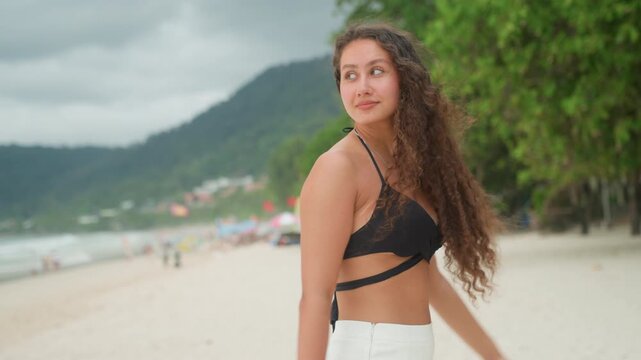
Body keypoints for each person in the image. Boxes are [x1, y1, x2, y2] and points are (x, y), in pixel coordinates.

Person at [297, 23, 505, 360]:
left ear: (405, 79)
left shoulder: (413, 166)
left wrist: (493, 355)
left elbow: (430, 281)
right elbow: (315, 297)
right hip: (369, 348)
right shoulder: (338, 168)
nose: (362, 87)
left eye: (376, 71)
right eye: (350, 76)